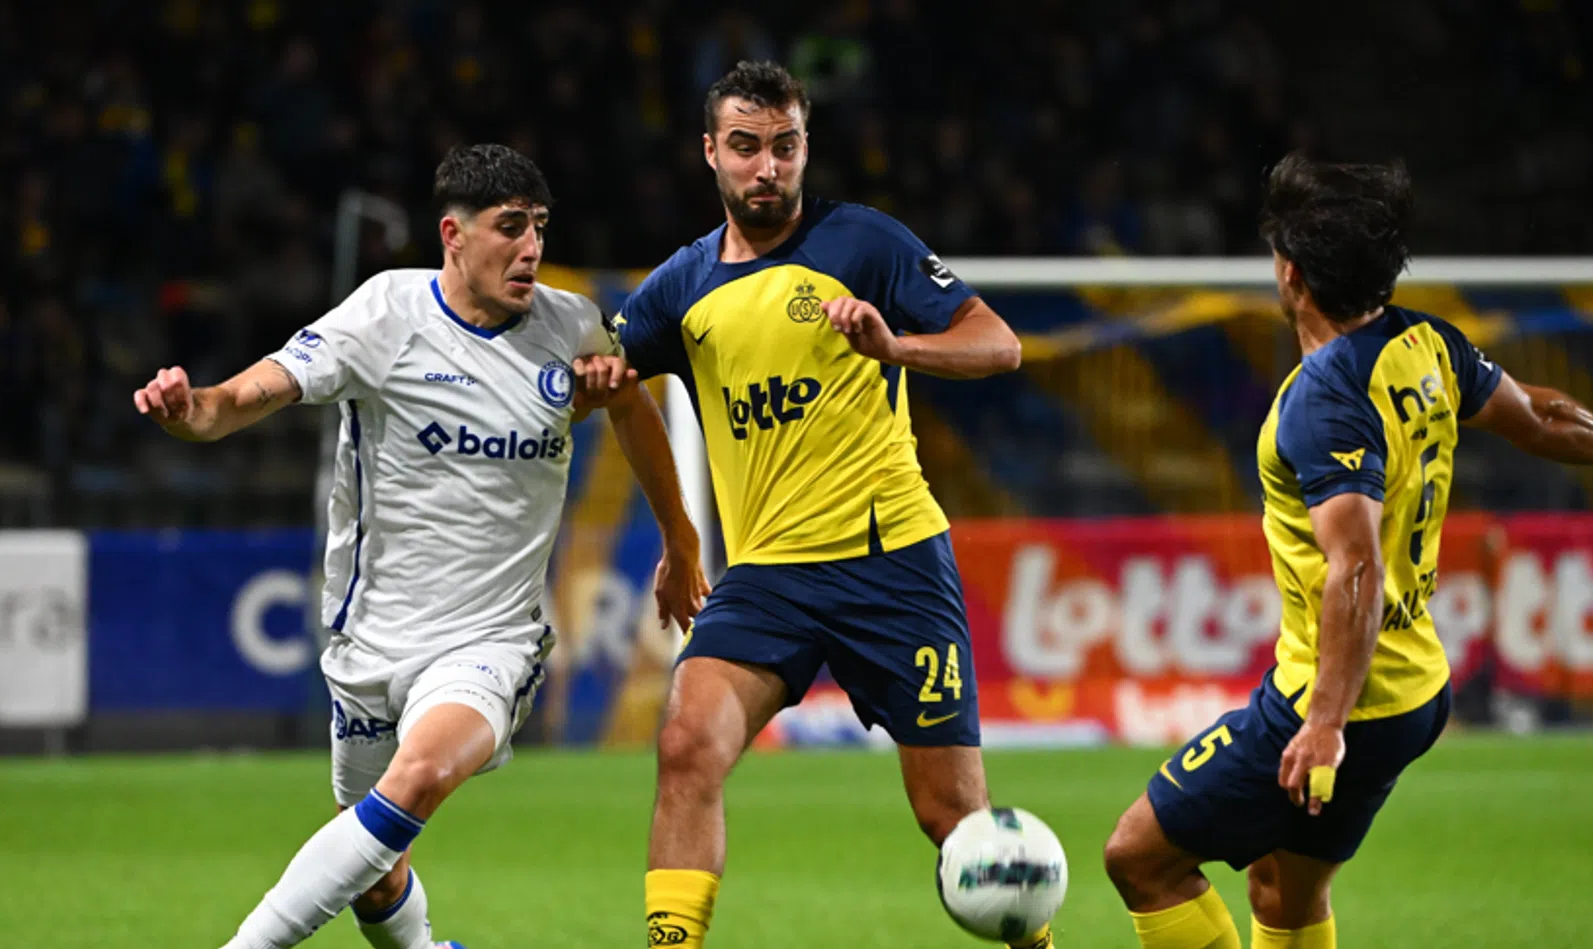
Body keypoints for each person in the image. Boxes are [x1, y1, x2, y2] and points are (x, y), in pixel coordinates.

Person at [1100, 152, 1593, 949]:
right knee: (1283, 890)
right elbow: (1540, 415)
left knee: (1139, 857)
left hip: (1341, 695)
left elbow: (1356, 567)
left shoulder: (1324, 401)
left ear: (1292, 277)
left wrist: (1323, 722)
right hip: (1414, 685)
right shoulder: (1426, 344)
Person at [133, 144, 706, 949]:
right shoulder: (384, 316)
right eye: (510, 228)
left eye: (539, 228)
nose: (531, 248)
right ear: (454, 234)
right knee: (374, 868)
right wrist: (191, 408)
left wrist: (680, 541)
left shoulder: (572, 326)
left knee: (422, 777)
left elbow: (634, 411)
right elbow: (239, 397)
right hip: (370, 638)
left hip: (489, 641)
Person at [611, 61, 1049, 948]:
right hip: (769, 575)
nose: (766, 167)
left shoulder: (867, 244)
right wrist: (679, 534)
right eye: (746, 148)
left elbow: (997, 345)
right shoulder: (679, 288)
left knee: (956, 823)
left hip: (892, 562)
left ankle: (1036, 941)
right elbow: (619, 391)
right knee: (687, 741)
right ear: (711, 154)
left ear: (806, 147)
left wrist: (897, 347)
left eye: (785, 146)